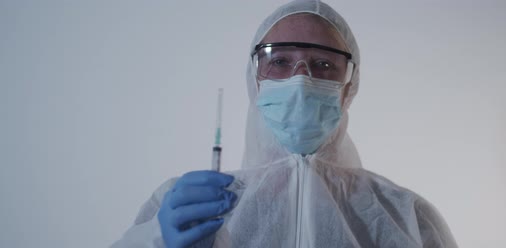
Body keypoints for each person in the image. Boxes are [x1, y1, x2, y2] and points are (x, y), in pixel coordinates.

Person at [112, 0, 458, 247]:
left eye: (323, 64)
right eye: (278, 60)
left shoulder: (408, 216)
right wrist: (153, 240)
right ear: (254, 79)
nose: (301, 79)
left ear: (348, 86)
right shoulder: (184, 206)